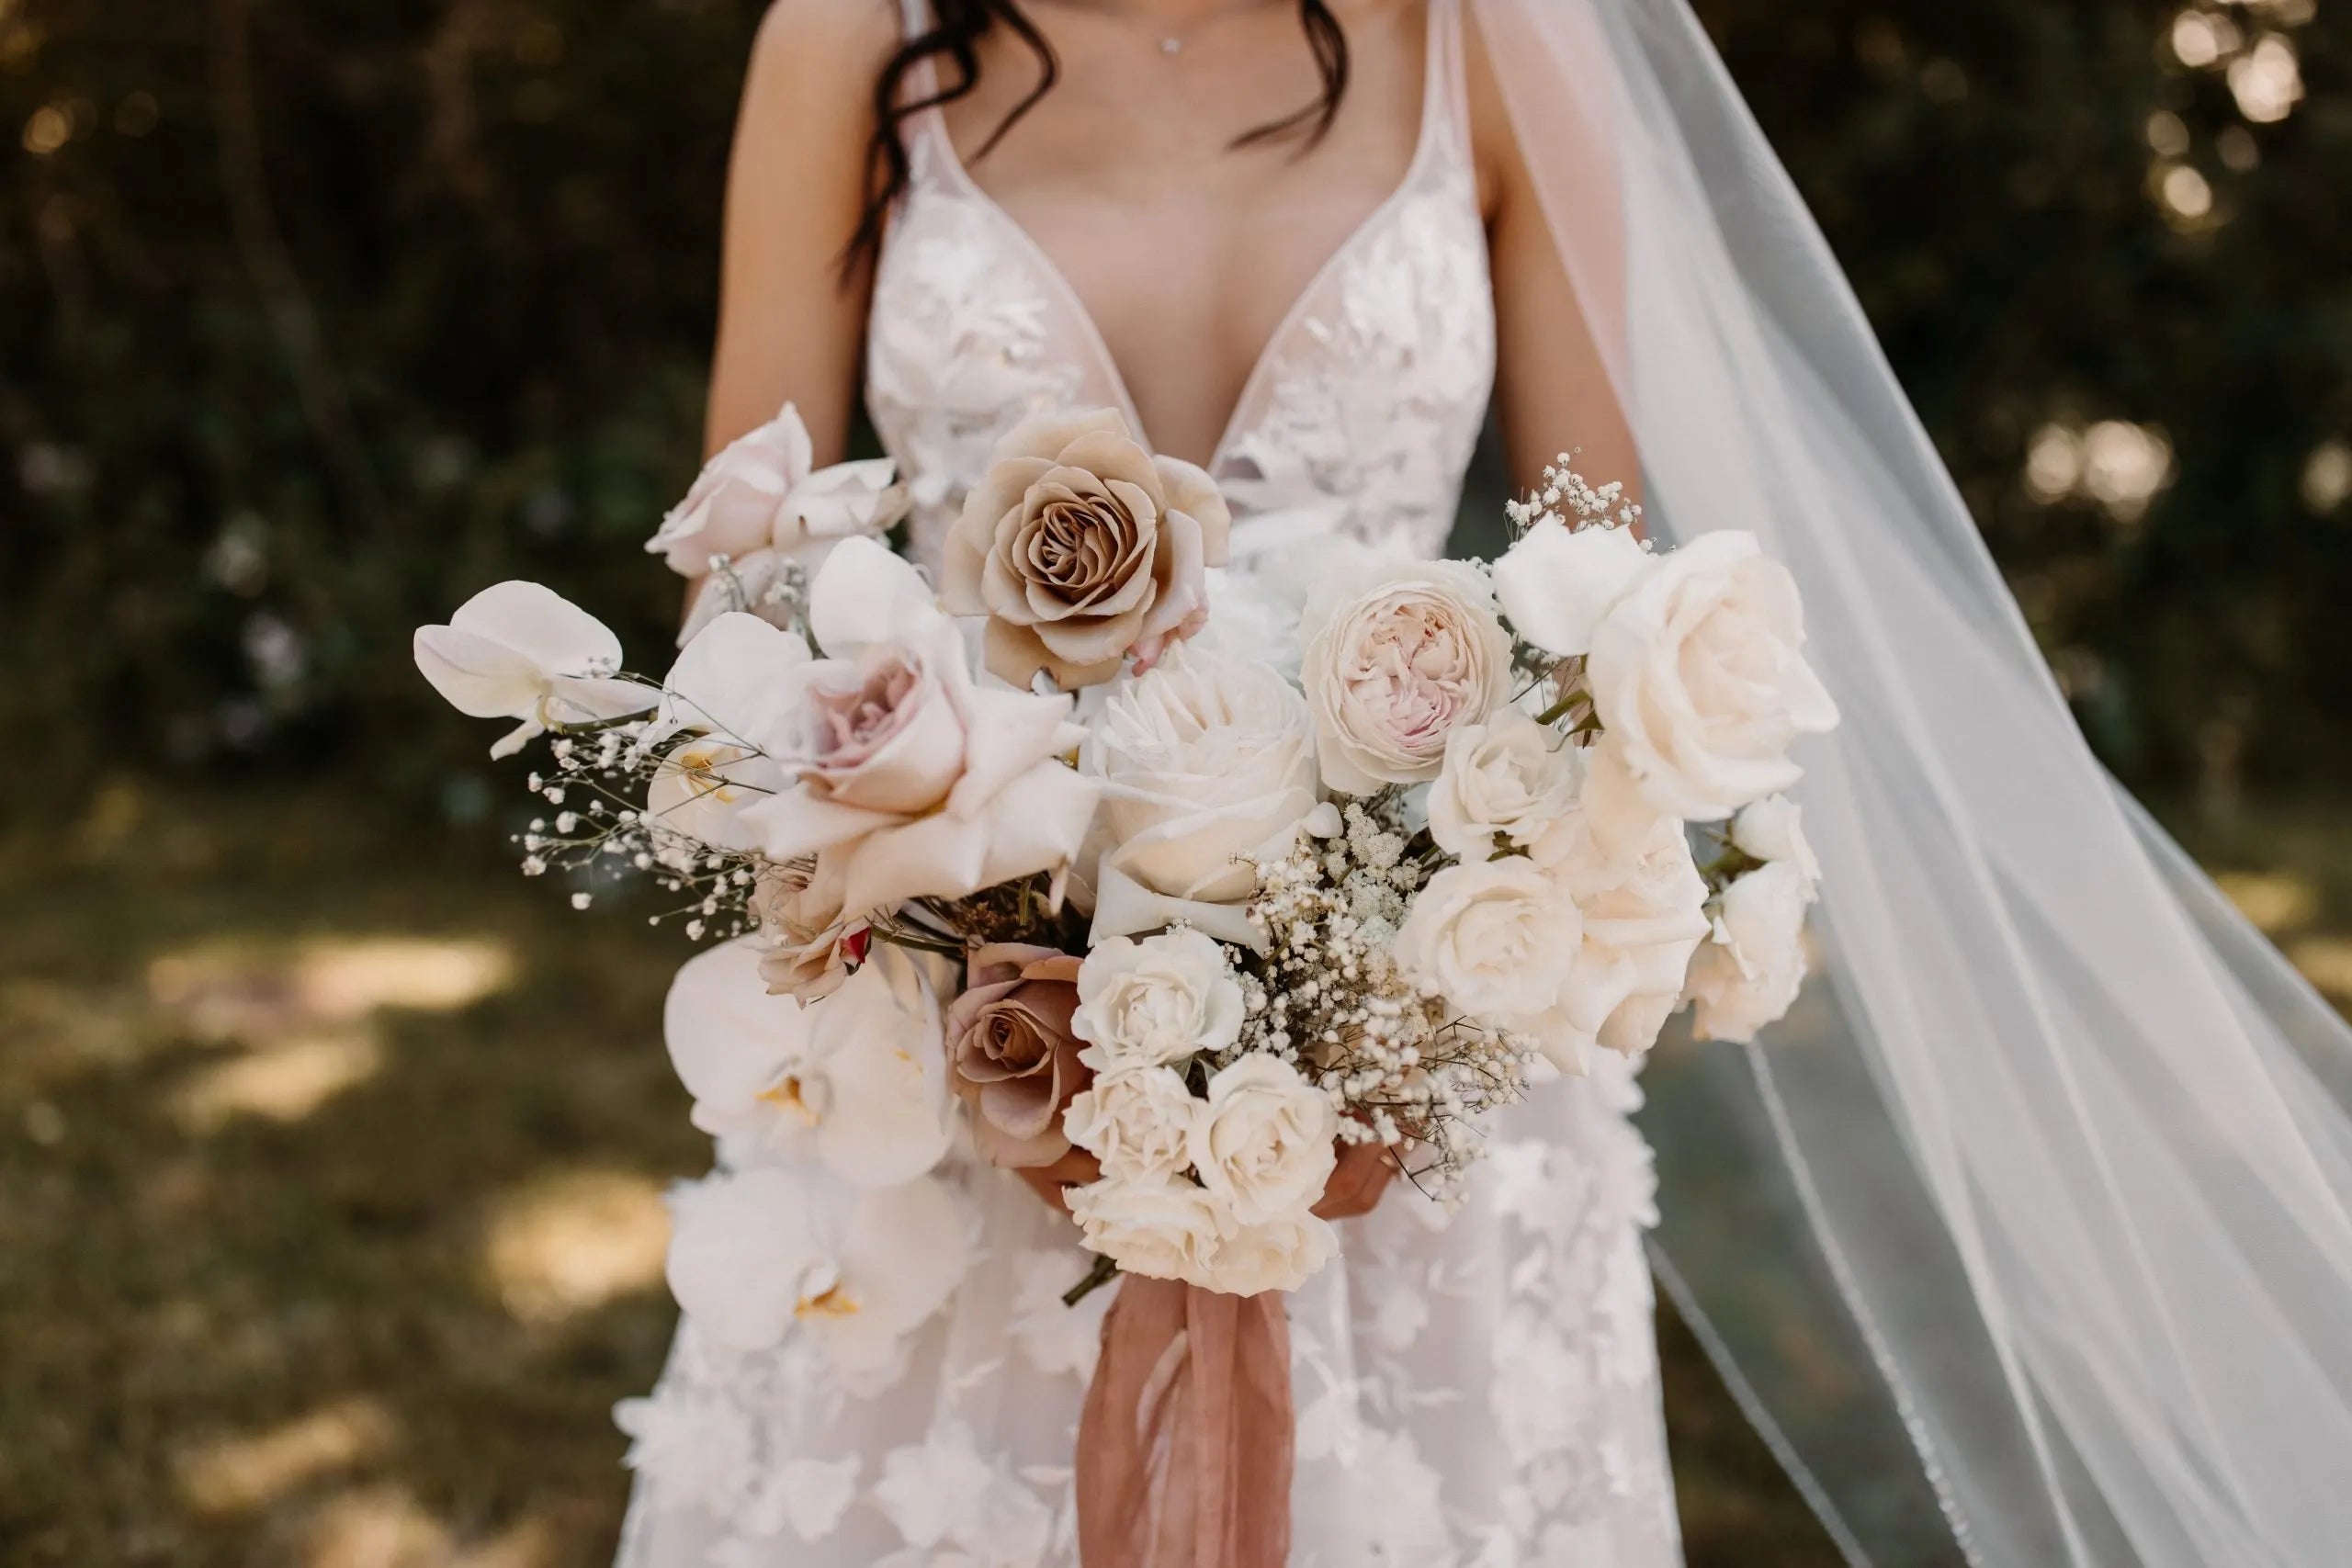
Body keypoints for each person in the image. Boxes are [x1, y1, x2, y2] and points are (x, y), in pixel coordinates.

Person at [616, 0, 2352, 1563]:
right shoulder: (852, 37)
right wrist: (953, 928)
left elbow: (1599, 612)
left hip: (1418, 1068)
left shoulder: (1505, 39)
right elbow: (739, 580)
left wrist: (1397, 989)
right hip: (962, 1060)